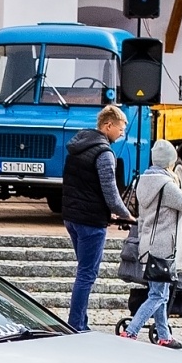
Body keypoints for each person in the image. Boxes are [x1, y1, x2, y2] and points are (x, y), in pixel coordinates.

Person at [121, 140, 182, 349]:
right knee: (158, 295)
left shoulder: (144, 181)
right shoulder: (166, 186)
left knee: (160, 293)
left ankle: (164, 336)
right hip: (164, 248)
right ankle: (130, 332)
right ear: (170, 162)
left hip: (148, 245)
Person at [60, 105, 135, 331]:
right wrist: (127, 214)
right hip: (90, 221)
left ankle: (80, 321)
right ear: (108, 125)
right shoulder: (104, 153)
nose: (122, 133)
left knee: (83, 270)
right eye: (121, 128)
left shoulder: (77, 146)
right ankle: (76, 324)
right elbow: (110, 192)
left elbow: (82, 186)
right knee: (86, 274)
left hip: (72, 217)